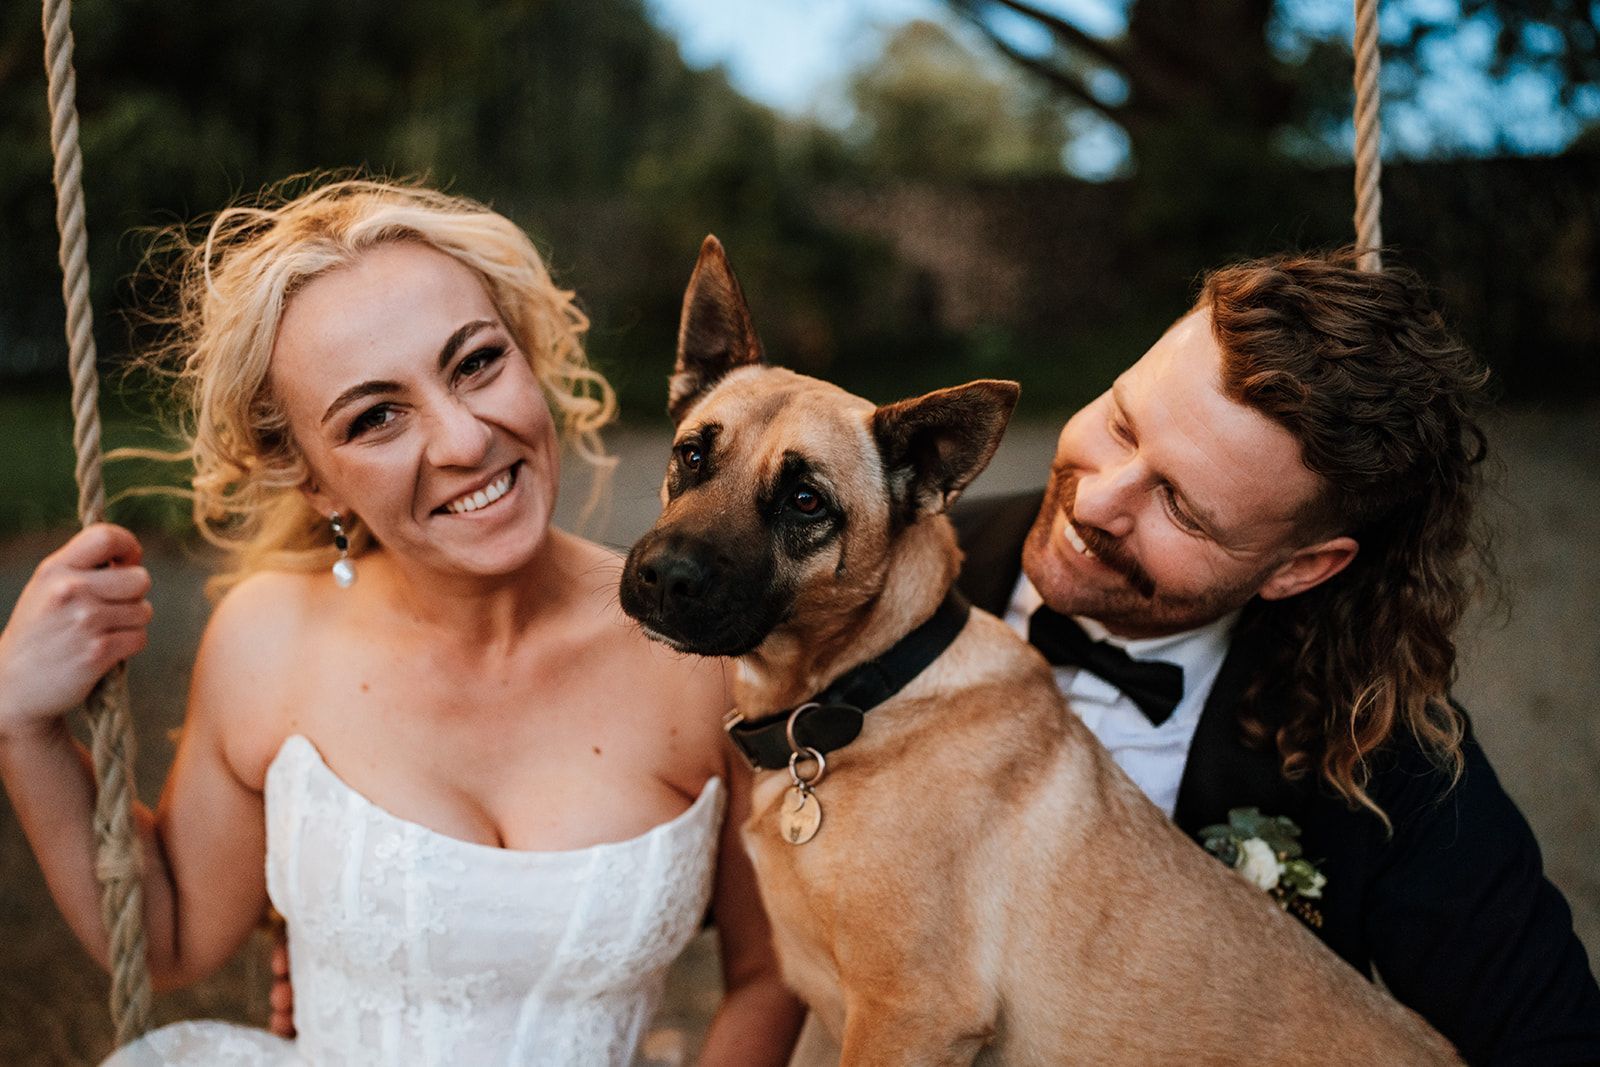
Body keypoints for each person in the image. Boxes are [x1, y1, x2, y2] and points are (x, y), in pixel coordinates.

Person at [0, 178, 803, 1065]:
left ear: (529, 355)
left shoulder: (712, 655)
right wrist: (22, 724)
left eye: (475, 363)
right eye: (376, 416)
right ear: (306, 472)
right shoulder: (267, 639)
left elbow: (773, 973)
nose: (463, 440)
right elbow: (170, 934)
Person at [945, 251, 1600, 1063]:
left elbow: (1556, 1044)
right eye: (1120, 421)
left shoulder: (1381, 753)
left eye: (1181, 506)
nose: (1097, 498)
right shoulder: (892, 564)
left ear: (1301, 567)